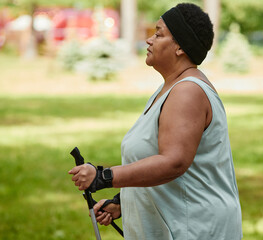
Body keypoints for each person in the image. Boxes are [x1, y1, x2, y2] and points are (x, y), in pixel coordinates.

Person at [69, 3, 242, 240]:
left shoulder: (187, 91)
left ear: (180, 46)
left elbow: (173, 163)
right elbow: (160, 161)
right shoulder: (170, 87)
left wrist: (103, 177)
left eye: (159, 34)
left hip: (196, 229)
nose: (149, 40)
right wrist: (123, 203)